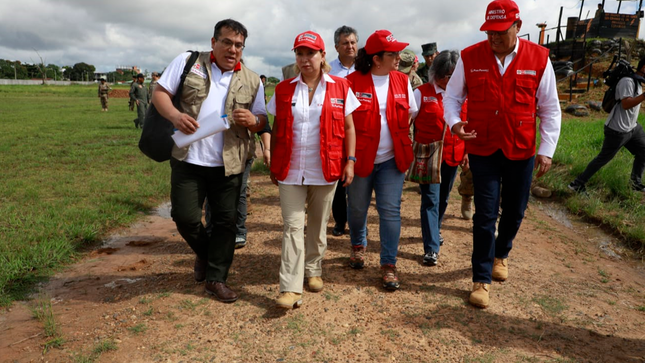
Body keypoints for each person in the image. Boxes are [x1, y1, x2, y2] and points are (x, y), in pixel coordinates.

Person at [444, 0, 561, 308]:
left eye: (499, 32)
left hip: (520, 148)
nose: (493, 38)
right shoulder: (470, 57)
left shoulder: (538, 58)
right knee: (485, 214)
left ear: (517, 27)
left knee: (515, 210)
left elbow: (550, 108)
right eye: (489, 32)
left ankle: (502, 252)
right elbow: (452, 97)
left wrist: (546, 150)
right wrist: (455, 124)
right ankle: (480, 279)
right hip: (482, 147)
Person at [151, 19, 267, 303]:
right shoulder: (189, 62)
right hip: (188, 158)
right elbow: (159, 93)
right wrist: (176, 117)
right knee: (185, 217)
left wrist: (253, 120)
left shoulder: (253, 80)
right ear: (213, 42)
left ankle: (217, 278)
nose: (232, 49)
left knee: (227, 222)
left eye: (239, 45)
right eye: (227, 42)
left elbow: (262, 119)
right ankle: (205, 253)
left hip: (229, 164)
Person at [268, 31, 357, 309]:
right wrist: (271, 158)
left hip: (325, 168)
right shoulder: (283, 89)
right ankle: (290, 288)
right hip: (290, 169)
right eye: (300, 54)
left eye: (310, 53)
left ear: (322, 56)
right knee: (293, 227)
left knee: (318, 225)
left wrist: (350, 160)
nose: (305, 59)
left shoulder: (340, 87)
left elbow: (350, 127)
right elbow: (276, 127)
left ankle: (314, 268)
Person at [346, 30, 417, 291]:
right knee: (357, 208)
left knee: (390, 211)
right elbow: (345, 123)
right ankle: (358, 245)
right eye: (393, 53)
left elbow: (411, 113)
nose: (399, 57)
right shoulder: (352, 82)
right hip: (361, 159)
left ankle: (388, 264)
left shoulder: (402, 81)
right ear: (377, 58)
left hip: (391, 160)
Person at [411, 50, 467, 266]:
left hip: (453, 155)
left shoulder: (463, 95)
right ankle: (431, 247)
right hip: (429, 155)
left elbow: (468, 123)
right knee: (430, 200)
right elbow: (407, 121)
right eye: (446, 76)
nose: (449, 81)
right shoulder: (421, 93)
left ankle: (434, 228)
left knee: (443, 199)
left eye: (454, 76)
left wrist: (467, 153)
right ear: (437, 74)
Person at [568, 57, 645, 194]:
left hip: (632, 127)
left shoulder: (638, 81)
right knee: (603, 158)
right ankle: (577, 184)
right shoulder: (627, 81)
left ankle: (635, 183)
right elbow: (626, 104)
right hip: (618, 130)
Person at [328, 25, 359, 237]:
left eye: (353, 42)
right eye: (345, 43)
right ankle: (340, 220)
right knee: (338, 181)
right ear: (336, 47)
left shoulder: (366, 69)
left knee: (359, 180)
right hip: (337, 129)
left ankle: (358, 223)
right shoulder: (328, 70)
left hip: (362, 130)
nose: (350, 46)